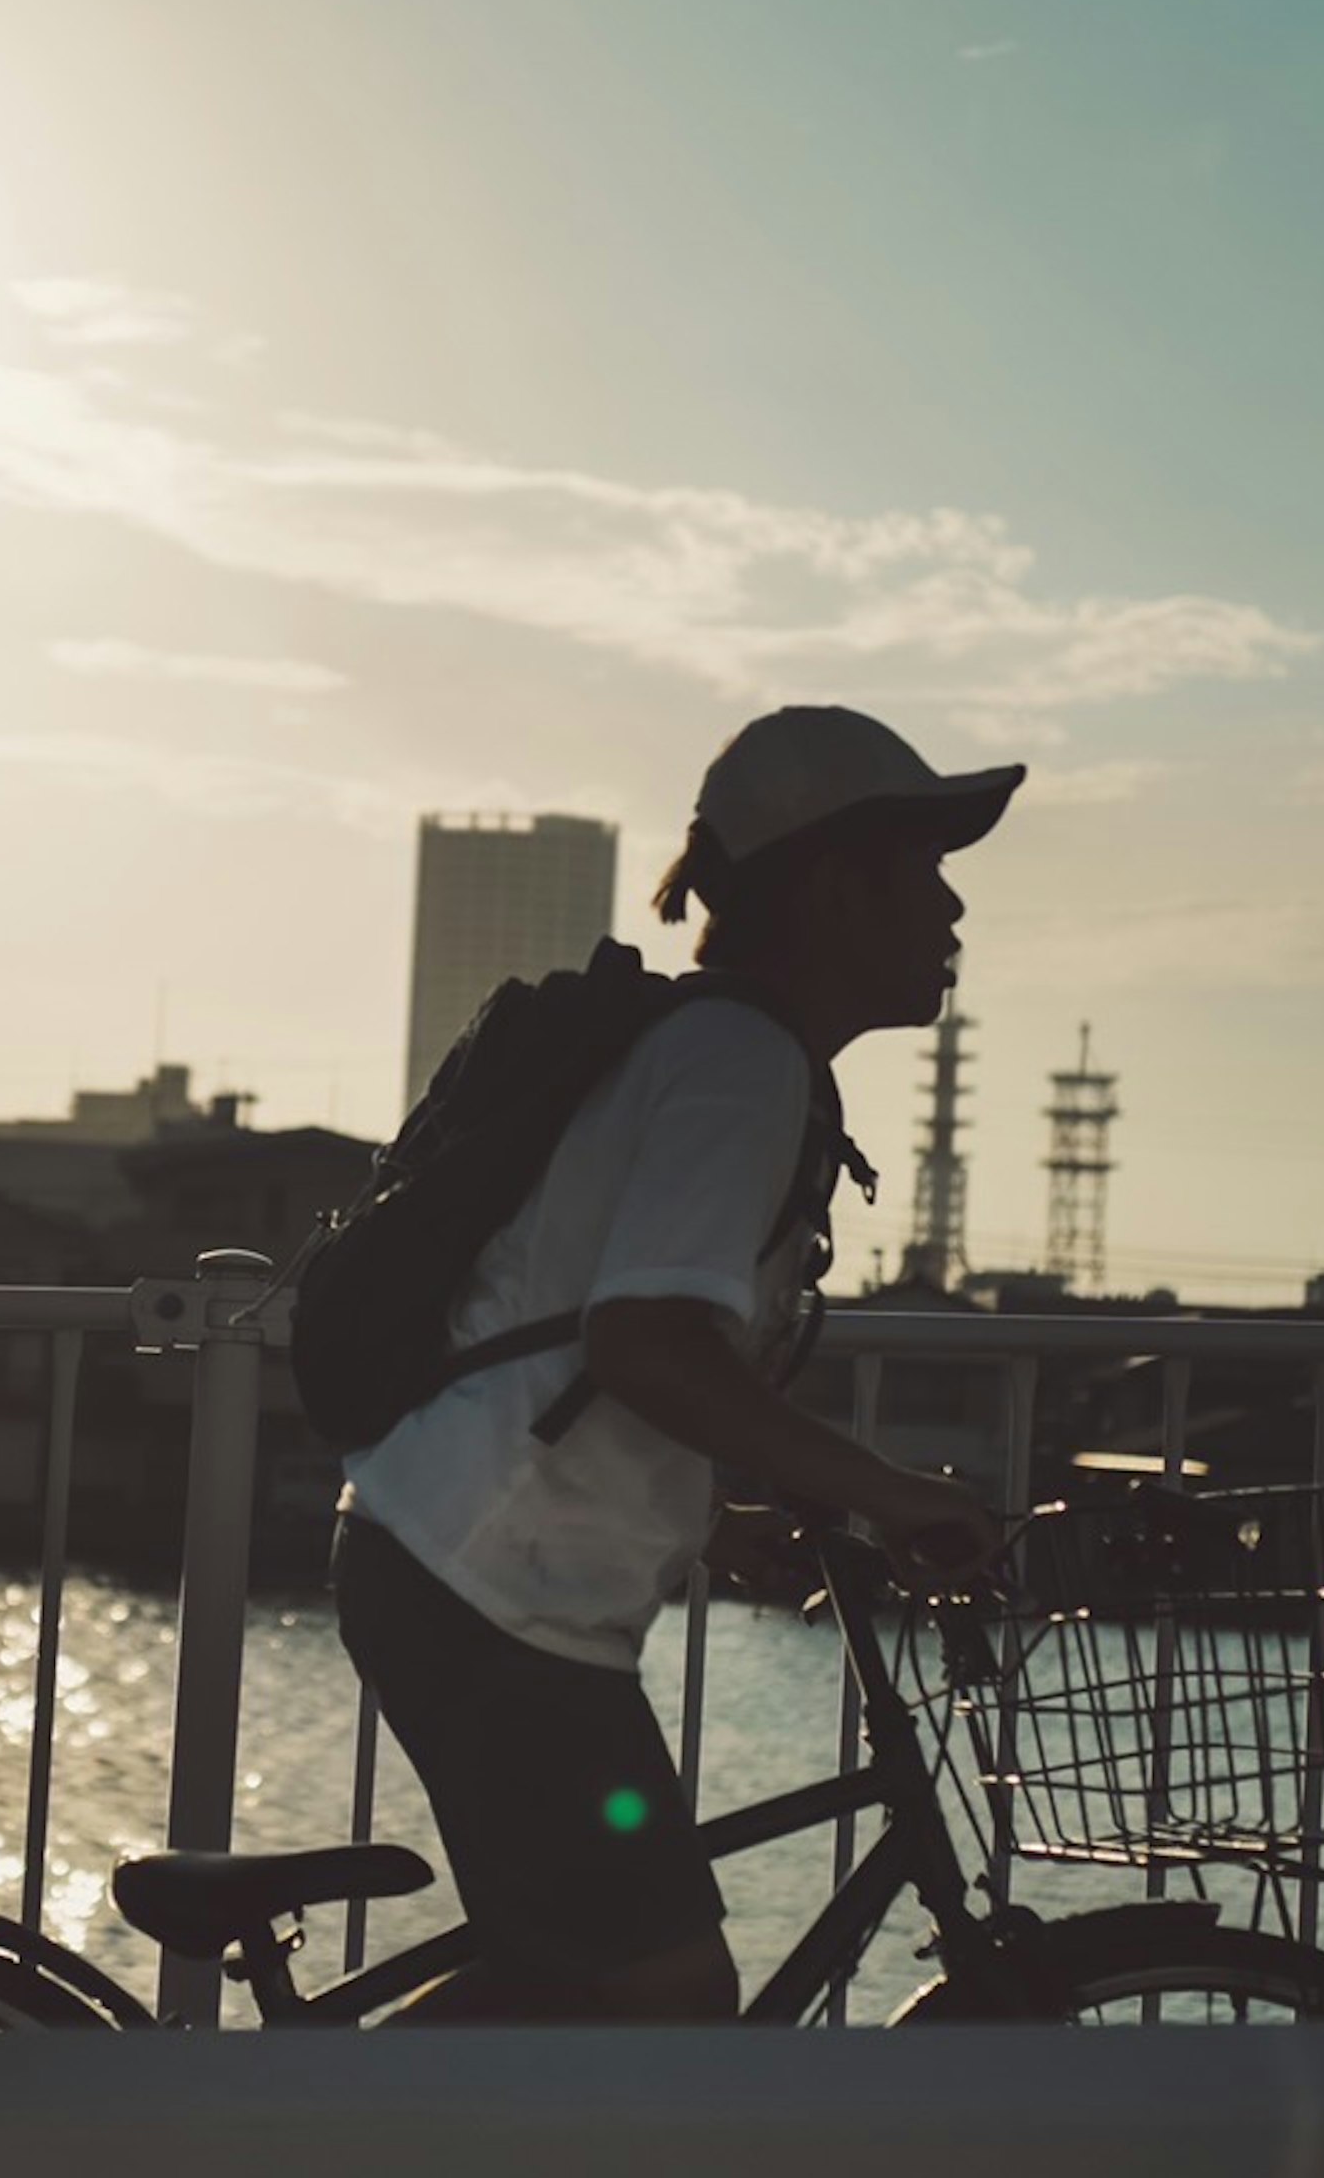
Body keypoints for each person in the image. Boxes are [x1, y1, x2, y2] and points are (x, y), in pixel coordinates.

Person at [332, 706, 1016, 2021]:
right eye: (923, 872)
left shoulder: (721, 1051)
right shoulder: (736, 1062)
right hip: (487, 1589)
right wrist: (887, 1487)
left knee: (581, 1981)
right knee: (665, 1995)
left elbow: (592, 1337)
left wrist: (717, 1520)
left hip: (474, 1571)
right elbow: (642, 1342)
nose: (950, 912)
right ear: (829, 885)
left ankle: (283, 2170)